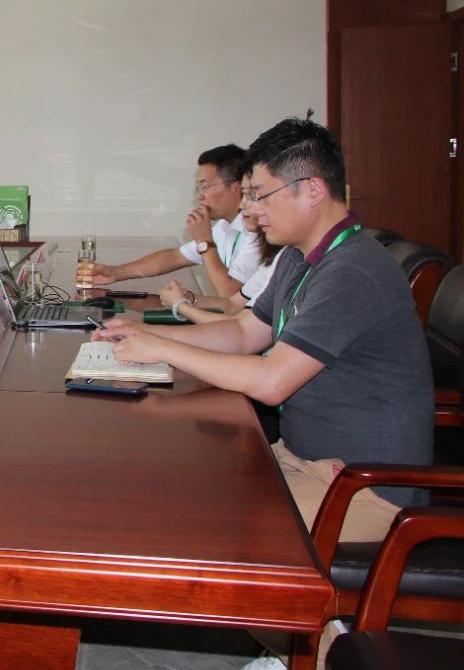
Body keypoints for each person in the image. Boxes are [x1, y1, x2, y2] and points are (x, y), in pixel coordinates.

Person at [97, 117, 432, 544]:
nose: (250, 210)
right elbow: (243, 333)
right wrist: (143, 333)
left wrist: (163, 350)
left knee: (189, 528)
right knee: (175, 485)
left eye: (260, 195)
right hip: (302, 462)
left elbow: (272, 382)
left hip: (361, 488)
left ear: (313, 190)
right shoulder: (298, 257)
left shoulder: (352, 271)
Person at [91, 145, 262, 297]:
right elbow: (175, 257)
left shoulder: (257, 231)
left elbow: (230, 294)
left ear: (236, 188)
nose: (199, 196)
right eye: (198, 188)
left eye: (205, 186)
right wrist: (116, 272)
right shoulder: (224, 226)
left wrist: (204, 241)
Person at [157, 168, 284, 324]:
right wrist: (187, 299)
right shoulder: (282, 257)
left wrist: (181, 306)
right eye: (245, 194)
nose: (242, 204)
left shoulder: (271, 248)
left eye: (253, 196)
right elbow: (232, 305)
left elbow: (241, 326)